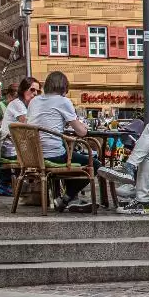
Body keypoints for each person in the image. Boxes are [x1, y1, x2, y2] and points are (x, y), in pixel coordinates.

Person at [25, 71, 96, 212]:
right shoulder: (63, 101)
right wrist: (83, 127)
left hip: (32, 155)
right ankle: (66, 198)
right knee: (94, 163)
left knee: (70, 154)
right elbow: (81, 132)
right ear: (64, 87)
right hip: (53, 156)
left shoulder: (34, 101)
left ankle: (71, 199)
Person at [0, 76, 41, 195]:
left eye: (38, 91)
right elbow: (26, 123)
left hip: (16, 146)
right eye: (32, 90)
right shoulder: (17, 104)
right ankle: (35, 187)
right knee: (45, 154)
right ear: (23, 89)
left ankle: (32, 186)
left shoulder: (26, 105)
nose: (35, 93)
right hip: (11, 149)